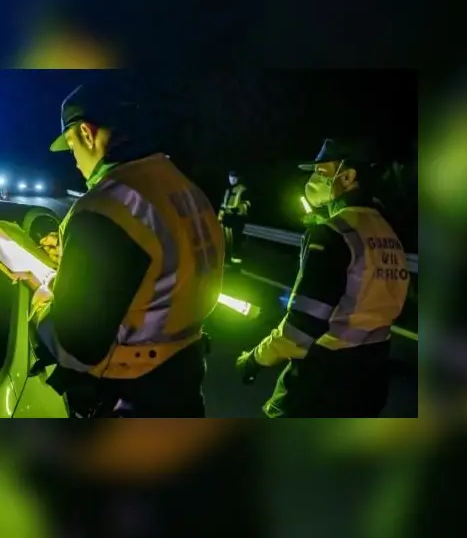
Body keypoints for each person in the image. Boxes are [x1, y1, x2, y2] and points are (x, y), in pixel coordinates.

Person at [30, 80, 225, 418]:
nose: (74, 161)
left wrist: (43, 295)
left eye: (72, 147)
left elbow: (76, 347)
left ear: (87, 134)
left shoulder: (105, 206)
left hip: (128, 395)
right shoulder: (183, 188)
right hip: (183, 379)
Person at [235, 138, 409, 417]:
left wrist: (255, 359)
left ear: (349, 176)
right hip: (372, 377)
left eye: (321, 172)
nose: (313, 179)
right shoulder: (386, 232)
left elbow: (300, 329)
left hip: (324, 382)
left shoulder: (331, 233)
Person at [218, 169, 250, 264]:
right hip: (226, 219)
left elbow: (246, 204)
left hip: (236, 219)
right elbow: (223, 205)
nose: (232, 179)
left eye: (234, 177)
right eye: (231, 177)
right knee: (226, 240)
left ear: (238, 178)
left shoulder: (243, 189)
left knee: (235, 239)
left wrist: (238, 210)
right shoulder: (227, 190)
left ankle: (234, 256)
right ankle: (226, 257)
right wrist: (219, 218)